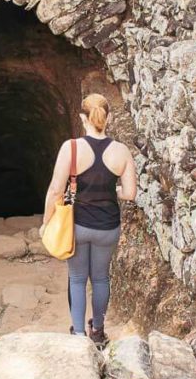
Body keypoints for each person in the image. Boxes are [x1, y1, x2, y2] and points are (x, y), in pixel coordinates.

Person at [40, 93, 136, 345]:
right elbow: (129, 193)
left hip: (79, 225)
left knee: (78, 278)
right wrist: (109, 190)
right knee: (102, 278)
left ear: (82, 118)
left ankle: (79, 334)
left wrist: (46, 222)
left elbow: (55, 191)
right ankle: (99, 331)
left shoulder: (71, 148)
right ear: (109, 118)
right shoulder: (121, 151)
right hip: (108, 227)